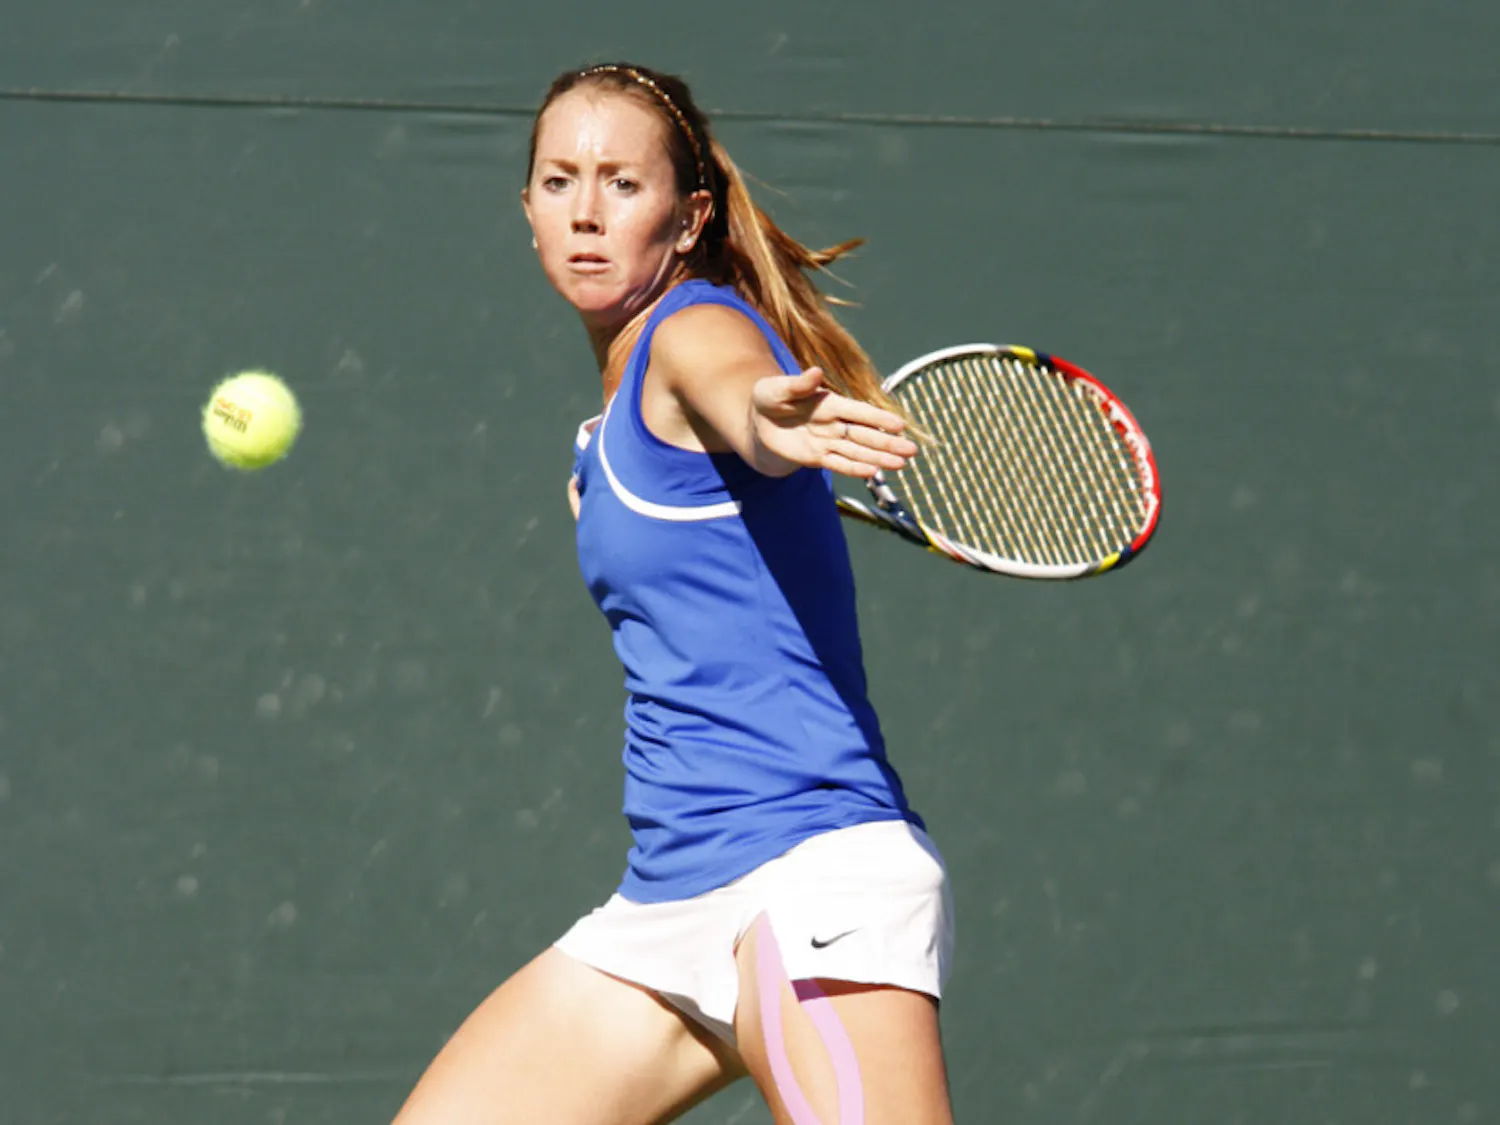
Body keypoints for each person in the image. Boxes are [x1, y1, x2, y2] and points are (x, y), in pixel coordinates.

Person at [392, 61, 956, 1125]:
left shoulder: (693, 332)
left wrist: (767, 420)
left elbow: (735, 385)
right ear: (526, 211)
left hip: (811, 877)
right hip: (668, 902)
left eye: (622, 183)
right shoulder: (600, 441)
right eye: (559, 183)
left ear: (689, 217)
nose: (587, 213)